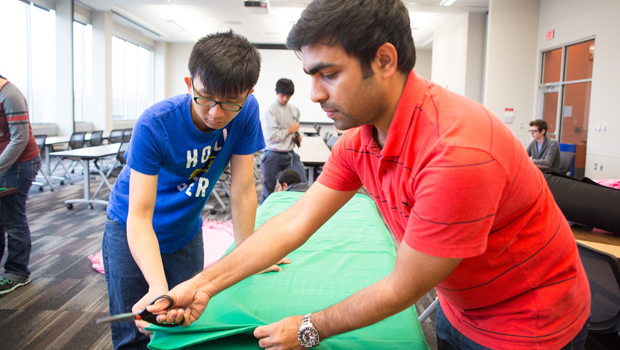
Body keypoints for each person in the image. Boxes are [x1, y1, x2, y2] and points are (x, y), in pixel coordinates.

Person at [151, 1, 590, 350]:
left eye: (330, 74)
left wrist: (309, 328)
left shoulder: (456, 151)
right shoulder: (362, 139)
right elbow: (294, 221)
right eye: (311, 75)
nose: (316, 93)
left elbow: (402, 287)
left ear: (384, 60)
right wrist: (201, 284)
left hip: (530, 325)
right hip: (460, 309)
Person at [102, 31, 287, 350]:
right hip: (130, 228)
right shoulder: (155, 124)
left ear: (248, 93)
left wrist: (248, 253)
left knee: (187, 320)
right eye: (205, 97)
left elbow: (242, 188)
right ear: (189, 84)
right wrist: (157, 284)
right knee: (136, 329)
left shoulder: (246, 111)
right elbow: (140, 215)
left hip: (186, 231)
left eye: (230, 103)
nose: (216, 113)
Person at [0, 75, 41, 295]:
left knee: (12, 218)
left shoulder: (10, 95)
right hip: (5, 162)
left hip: (19, 163)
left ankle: (17, 272)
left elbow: (19, 138)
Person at [260, 78, 307, 203]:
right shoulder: (269, 111)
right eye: (282, 95)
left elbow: (294, 131)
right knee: (268, 190)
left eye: (288, 96)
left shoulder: (295, 110)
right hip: (272, 153)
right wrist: (289, 131)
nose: (285, 98)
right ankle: (262, 219)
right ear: (276, 93)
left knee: (302, 185)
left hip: (290, 154)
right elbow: (271, 137)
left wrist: (296, 137)